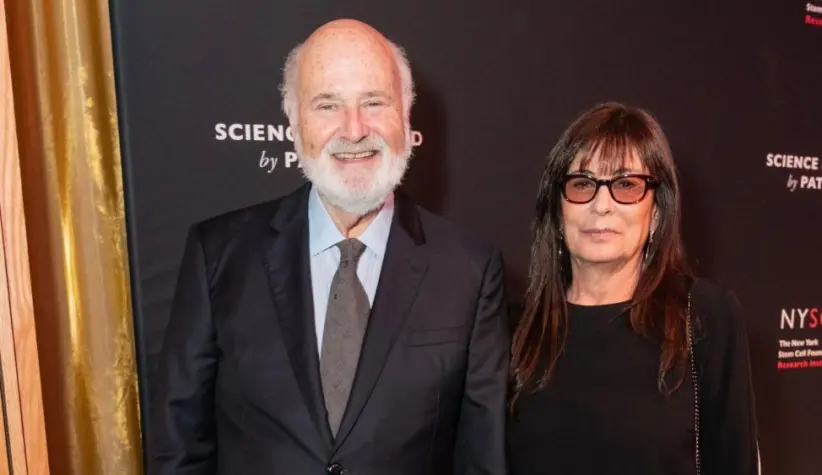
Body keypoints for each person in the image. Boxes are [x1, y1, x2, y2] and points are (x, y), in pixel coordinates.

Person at [149, 18, 509, 475]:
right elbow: (179, 447)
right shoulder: (218, 256)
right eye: (327, 105)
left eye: (374, 102)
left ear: (406, 114)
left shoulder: (471, 271)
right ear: (295, 122)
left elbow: (482, 457)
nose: (354, 129)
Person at [506, 102, 759, 474]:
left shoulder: (706, 315)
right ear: (558, 212)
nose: (601, 205)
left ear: (656, 212)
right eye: (582, 184)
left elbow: (734, 461)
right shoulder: (512, 327)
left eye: (626, 185)